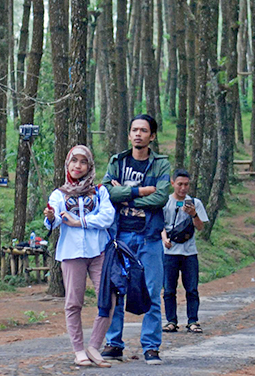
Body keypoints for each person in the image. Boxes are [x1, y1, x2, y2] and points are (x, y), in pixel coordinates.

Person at [101, 114, 171, 366]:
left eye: (143, 130)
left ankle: (151, 347)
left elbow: (161, 197)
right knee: (116, 289)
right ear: (129, 134)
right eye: (134, 130)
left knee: (152, 292)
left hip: (149, 236)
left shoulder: (161, 164)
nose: (138, 134)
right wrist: (140, 192)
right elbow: (106, 191)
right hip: (120, 236)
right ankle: (114, 343)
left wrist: (126, 198)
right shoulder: (117, 161)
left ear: (152, 136)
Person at [43, 145, 115, 368]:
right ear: (67, 164)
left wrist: (80, 222)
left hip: (99, 251)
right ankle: (78, 350)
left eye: (83, 162)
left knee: (108, 299)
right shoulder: (59, 194)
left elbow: (107, 217)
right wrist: (50, 216)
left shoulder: (100, 191)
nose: (78, 166)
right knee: (74, 302)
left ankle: (94, 345)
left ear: (90, 166)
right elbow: (55, 221)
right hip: (72, 253)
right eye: (74, 161)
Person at [160, 169, 208, 334]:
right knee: (169, 289)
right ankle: (171, 321)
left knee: (192, 288)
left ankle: (193, 321)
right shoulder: (165, 202)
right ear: (172, 183)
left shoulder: (195, 203)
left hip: (189, 252)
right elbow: (160, 224)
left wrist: (194, 214)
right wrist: (164, 239)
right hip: (169, 252)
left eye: (186, 185)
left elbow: (200, 227)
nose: (183, 188)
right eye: (180, 184)